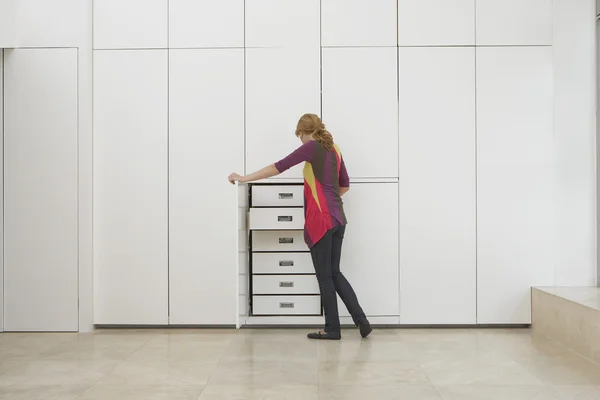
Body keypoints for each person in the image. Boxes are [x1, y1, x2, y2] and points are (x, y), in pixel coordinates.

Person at [228, 113, 372, 340]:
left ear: (305, 132)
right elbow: (344, 185)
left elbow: (278, 167)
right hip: (338, 218)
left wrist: (245, 178)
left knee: (325, 277)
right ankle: (362, 321)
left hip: (322, 221)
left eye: (300, 136)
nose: (300, 141)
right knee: (335, 272)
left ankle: (332, 329)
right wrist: (328, 198)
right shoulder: (335, 149)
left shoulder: (312, 147)